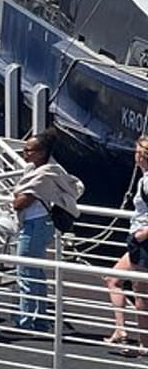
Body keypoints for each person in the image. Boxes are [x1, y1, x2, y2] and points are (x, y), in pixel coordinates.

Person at [11, 130, 84, 332]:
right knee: (37, 273)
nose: (25, 153)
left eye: (29, 150)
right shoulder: (48, 170)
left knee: (26, 273)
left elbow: (21, 202)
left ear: (42, 152)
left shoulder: (43, 175)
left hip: (34, 225)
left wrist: (16, 197)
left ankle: (26, 321)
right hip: (43, 224)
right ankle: (40, 318)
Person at [103, 136, 148, 354]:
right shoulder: (144, 179)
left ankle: (145, 343)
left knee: (141, 293)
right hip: (138, 240)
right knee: (113, 278)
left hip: (144, 242)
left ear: (141, 155)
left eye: (136, 152)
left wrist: (143, 234)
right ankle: (121, 330)